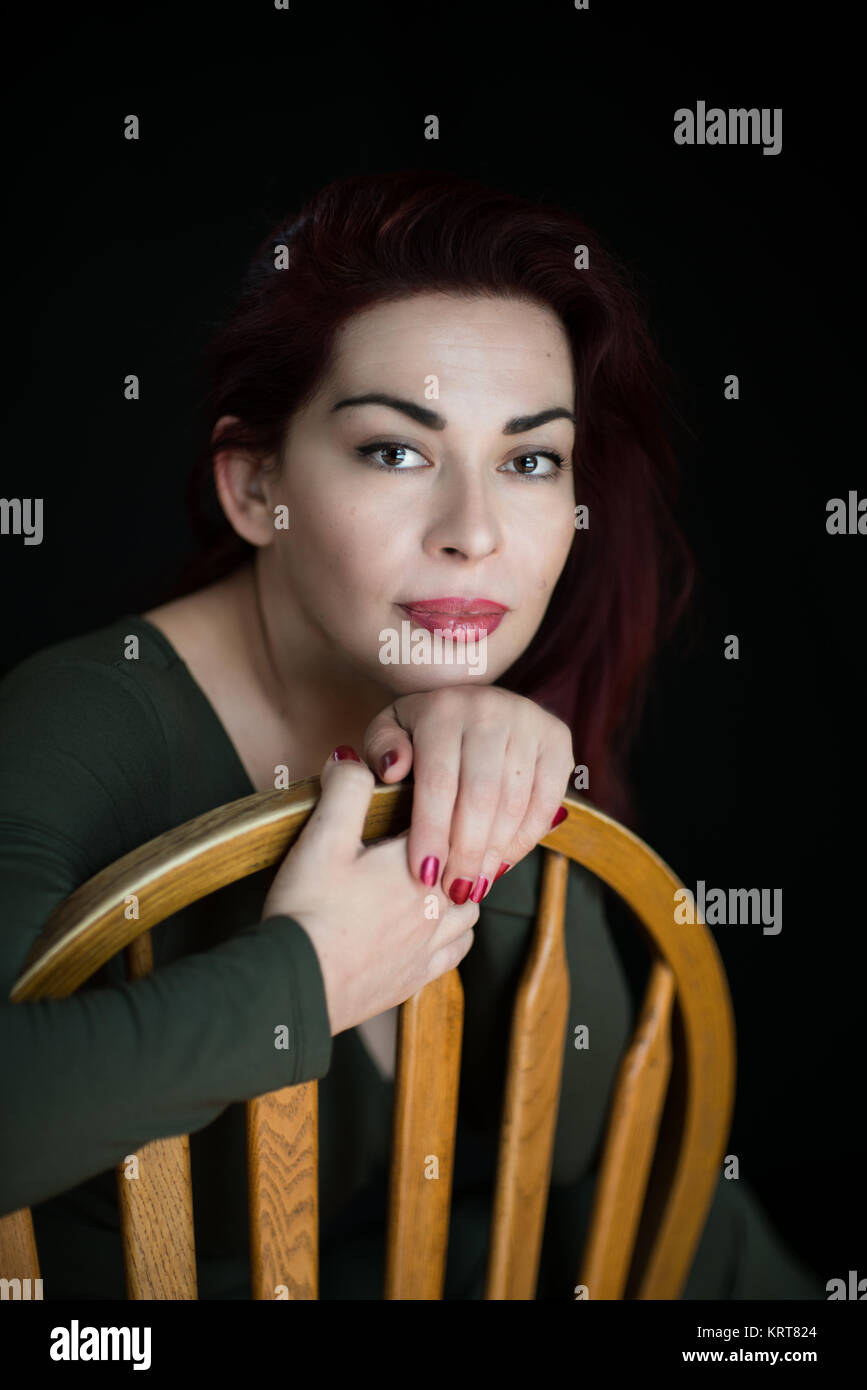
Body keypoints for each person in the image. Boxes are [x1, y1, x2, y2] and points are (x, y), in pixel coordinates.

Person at [0, 170, 821, 1300]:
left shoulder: (496, 714)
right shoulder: (80, 724)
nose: (475, 533)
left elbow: (585, 1155)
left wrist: (522, 830)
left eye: (530, 460)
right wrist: (312, 977)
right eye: (397, 451)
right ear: (254, 485)